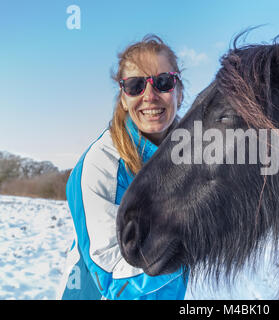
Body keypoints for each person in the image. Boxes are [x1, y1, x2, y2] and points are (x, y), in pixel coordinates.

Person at [58, 35, 187, 300]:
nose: (149, 96)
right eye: (135, 86)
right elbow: (113, 275)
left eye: (163, 82)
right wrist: (195, 248)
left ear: (179, 91)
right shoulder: (100, 164)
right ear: (124, 98)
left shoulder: (193, 153)